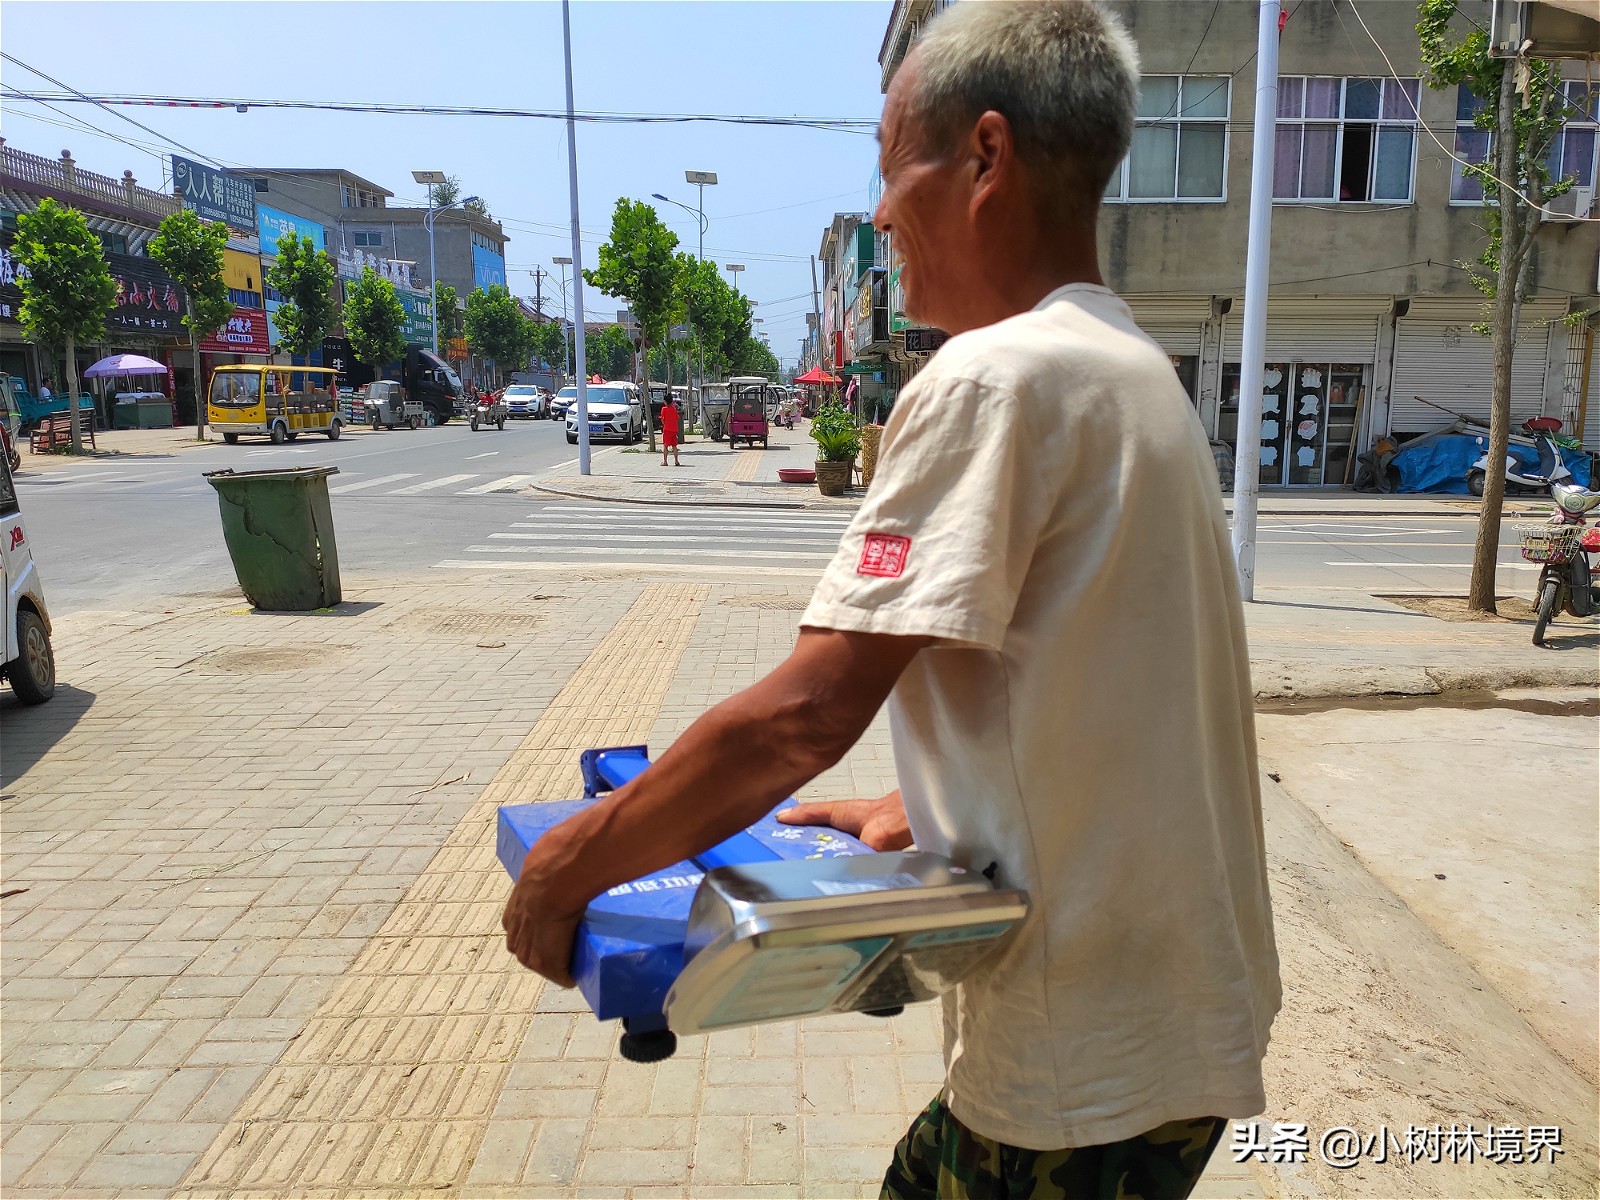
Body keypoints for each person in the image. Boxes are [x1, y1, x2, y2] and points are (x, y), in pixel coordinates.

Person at [503, 3, 1278, 1197]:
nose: (877, 212)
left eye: (888, 165)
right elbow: (1104, 700)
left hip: (1078, 1060)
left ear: (984, 156)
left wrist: (573, 865)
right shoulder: (1130, 370)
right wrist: (924, 804)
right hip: (1175, 1019)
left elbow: (802, 716)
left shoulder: (993, 376)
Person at [659, 396, 682, 466]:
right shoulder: (674, 409)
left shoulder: (664, 409)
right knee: (674, 446)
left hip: (667, 430)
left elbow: (662, 419)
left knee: (665, 446)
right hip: (674, 429)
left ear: (665, 402)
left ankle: (665, 461)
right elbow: (677, 418)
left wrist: (665, 423)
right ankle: (676, 461)